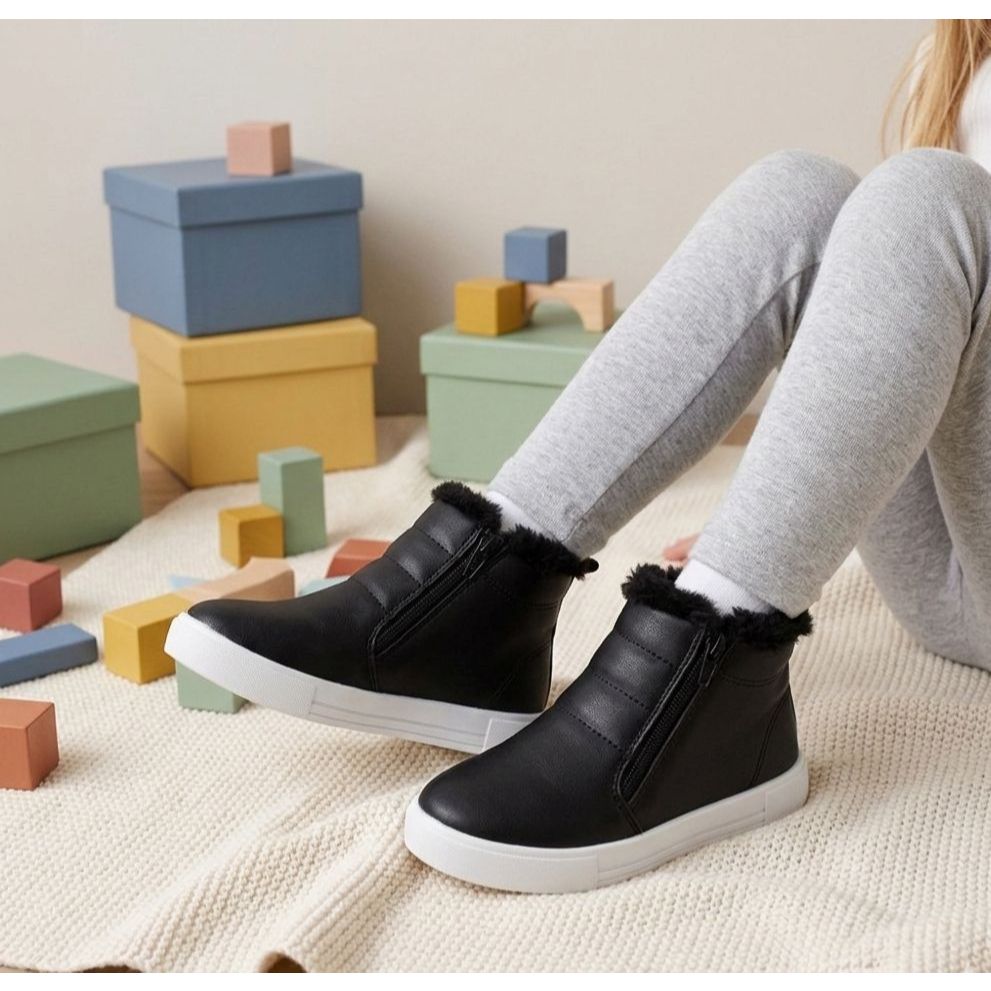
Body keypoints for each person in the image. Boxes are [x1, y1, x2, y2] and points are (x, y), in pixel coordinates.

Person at [166, 20, 991, 894]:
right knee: (803, 192)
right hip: (949, 575)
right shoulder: (964, 51)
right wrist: (780, 528)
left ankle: (713, 681)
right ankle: (476, 601)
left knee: (927, 196)